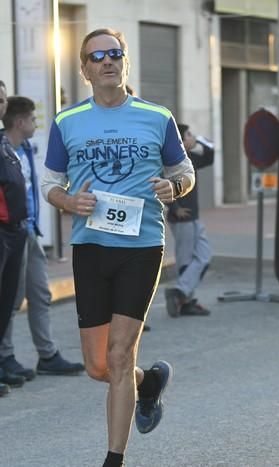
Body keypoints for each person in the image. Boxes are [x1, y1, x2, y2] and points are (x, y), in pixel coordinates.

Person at [40, 29, 194, 467]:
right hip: (90, 246)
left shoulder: (156, 116)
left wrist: (175, 185)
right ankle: (147, 384)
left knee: (120, 355)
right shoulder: (67, 122)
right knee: (98, 367)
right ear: (85, 69)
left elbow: (184, 171)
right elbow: (51, 184)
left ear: (125, 62)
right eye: (97, 56)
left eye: (115, 54)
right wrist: (69, 201)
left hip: (141, 246)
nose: (107, 61)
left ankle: (114, 458)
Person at [0, 96, 85, 381]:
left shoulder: (24, 148)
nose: (36, 124)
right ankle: (5, 355)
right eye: (33, 119)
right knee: (9, 298)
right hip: (10, 233)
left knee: (40, 294)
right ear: (20, 122)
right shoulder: (3, 149)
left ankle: (47, 355)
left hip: (29, 231)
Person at [164, 124, 214, 317]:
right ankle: (186, 301)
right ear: (179, 139)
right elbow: (161, 183)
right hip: (181, 218)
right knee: (185, 259)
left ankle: (180, 292)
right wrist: (175, 208)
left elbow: (209, 157)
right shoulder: (169, 160)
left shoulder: (189, 158)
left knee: (204, 256)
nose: (192, 137)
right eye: (188, 135)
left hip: (194, 217)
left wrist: (199, 142)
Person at [0, 80, 28, 396]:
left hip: (15, 231)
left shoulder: (4, 143)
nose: (0, 103)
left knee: (7, 302)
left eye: (2, 99)